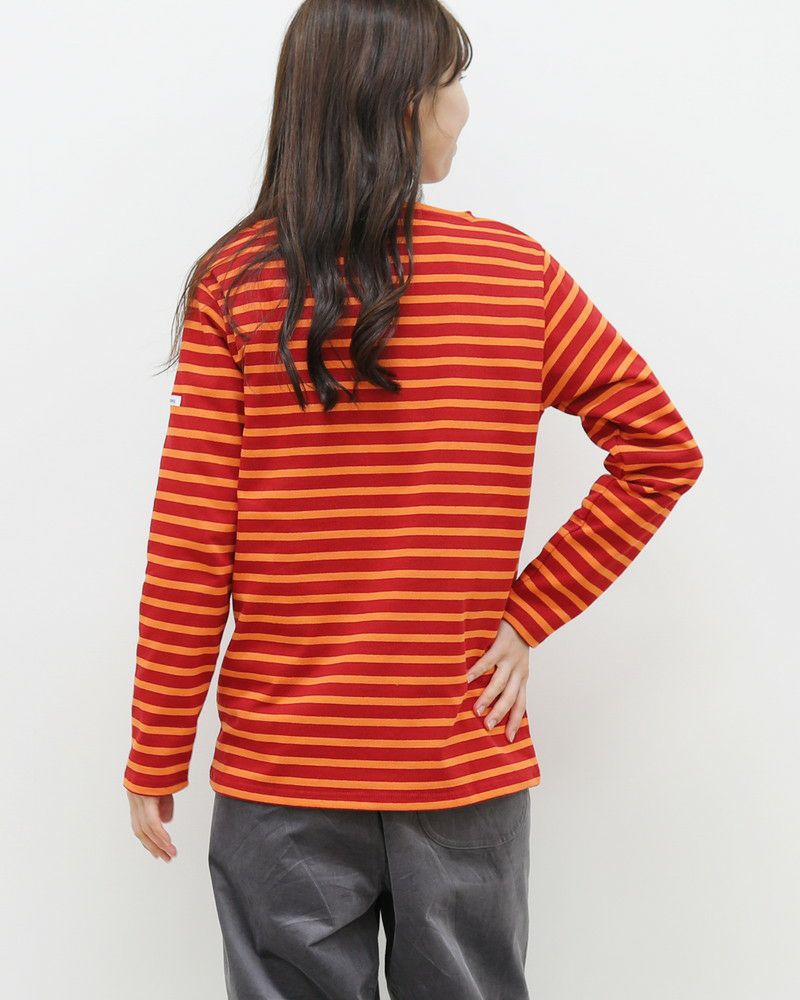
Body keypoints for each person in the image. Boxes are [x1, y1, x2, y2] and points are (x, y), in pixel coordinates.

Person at [123, 1, 704, 997]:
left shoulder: (239, 281)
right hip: (459, 758)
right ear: (400, 103)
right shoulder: (514, 273)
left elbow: (191, 543)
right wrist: (523, 617)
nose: (463, 109)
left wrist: (155, 750)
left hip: (283, 772)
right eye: (451, 83)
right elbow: (660, 450)